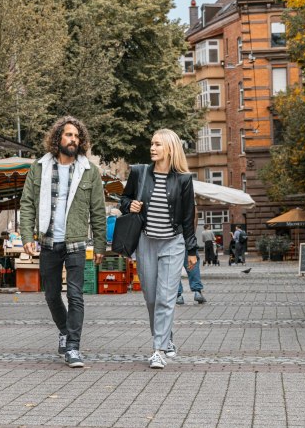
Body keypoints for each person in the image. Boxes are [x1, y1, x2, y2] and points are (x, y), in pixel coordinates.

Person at [20, 116, 106, 368]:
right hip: (48, 242)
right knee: (51, 295)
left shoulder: (90, 171)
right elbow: (27, 204)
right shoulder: (39, 168)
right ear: (57, 138)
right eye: (69, 135)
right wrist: (27, 236)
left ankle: (73, 347)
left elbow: (98, 211)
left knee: (77, 294)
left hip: (76, 242)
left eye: (77, 137)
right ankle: (65, 330)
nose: (73, 140)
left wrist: (99, 245)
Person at [120, 128, 197, 369]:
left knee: (165, 297)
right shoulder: (139, 173)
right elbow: (123, 200)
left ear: (170, 149)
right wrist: (129, 205)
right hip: (146, 242)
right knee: (151, 297)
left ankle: (158, 349)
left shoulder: (183, 180)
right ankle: (166, 336)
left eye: (157, 144)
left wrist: (192, 251)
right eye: (152, 144)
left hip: (173, 244)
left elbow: (188, 218)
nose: (152, 148)